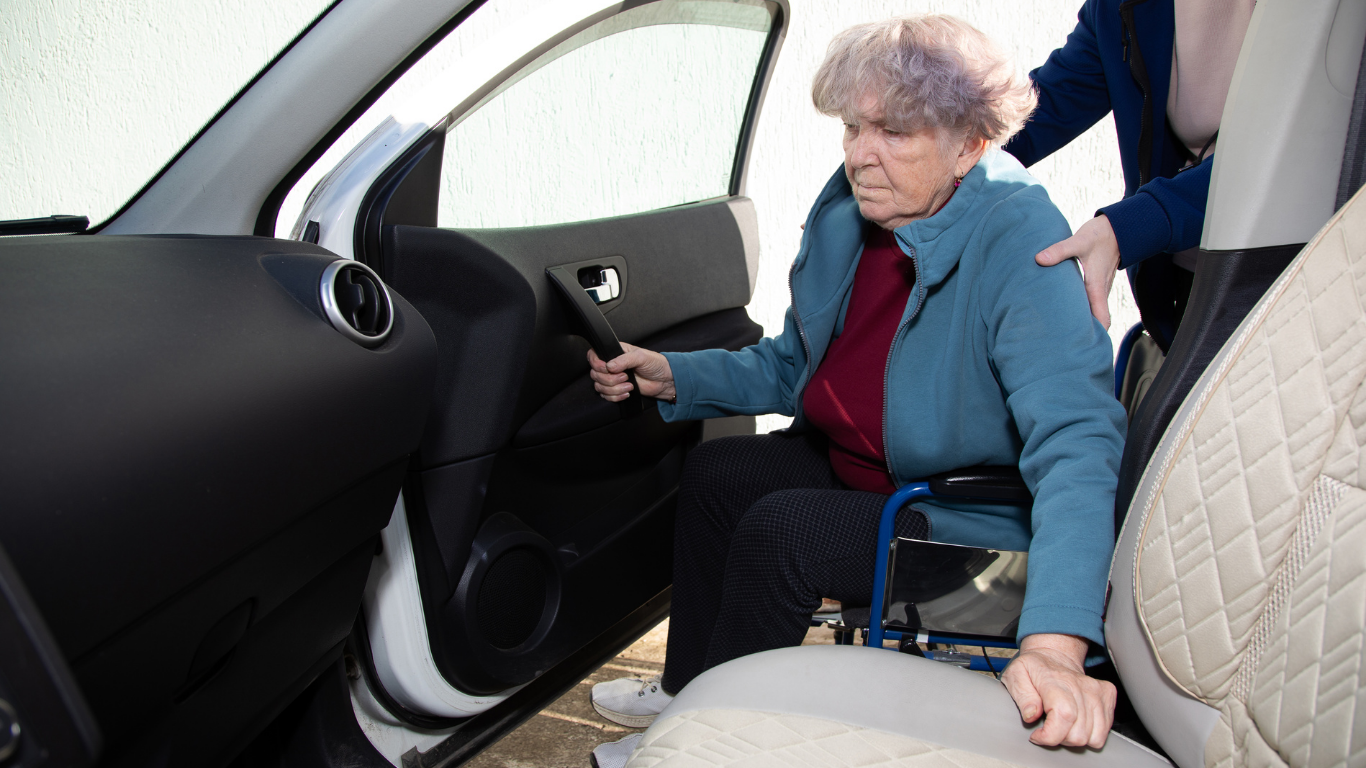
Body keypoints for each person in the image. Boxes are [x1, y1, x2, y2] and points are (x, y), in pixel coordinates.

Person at [587, 15, 1127, 765]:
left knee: (786, 532)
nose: (860, 157)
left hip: (957, 514)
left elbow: (1077, 444)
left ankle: (721, 742)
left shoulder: (1018, 239)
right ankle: (689, 693)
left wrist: (1059, 645)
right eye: (852, 127)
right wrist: (678, 374)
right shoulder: (853, 209)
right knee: (718, 475)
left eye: (895, 133)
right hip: (865, 468)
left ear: (969, 142)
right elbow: (794, 367)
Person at [1005, 0, 1256, 351]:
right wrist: (946, 145)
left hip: (1291, 263)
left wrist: (1128, 227)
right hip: (1190, 277)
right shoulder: (1119, 7)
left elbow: (1296, 150)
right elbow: (1044, 107)